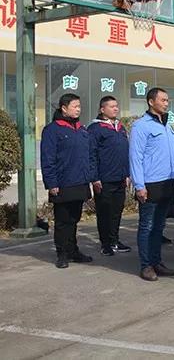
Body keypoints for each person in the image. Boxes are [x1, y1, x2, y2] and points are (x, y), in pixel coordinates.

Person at [130, 88, 174, 281]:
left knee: (159, 226)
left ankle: (157, 261)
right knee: (146, 226)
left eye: (167, 100)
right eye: (163, 100)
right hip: (150, 184)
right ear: (151, 102)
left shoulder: (167, 126)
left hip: (167, 183)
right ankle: (146, 265)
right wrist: (139, 185)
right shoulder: (141, 126)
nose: (166, 103)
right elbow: (135, 157)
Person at [41, 93, 93, 269]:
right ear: (64, 108)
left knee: (74, 219)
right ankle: (62, 253)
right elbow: (48, 159)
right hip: (63, 183)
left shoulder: (82, 129)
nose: (78, 109)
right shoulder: (52, 130)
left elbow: (87, 156)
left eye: (79, 106)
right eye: (75, 106)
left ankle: (73, 250)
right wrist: (52, 183)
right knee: (63, 221)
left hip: (80, 182)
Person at [88, 96, 130, 257]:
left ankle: (114, 240)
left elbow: (125, 152)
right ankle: (105, 244)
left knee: (116, 212)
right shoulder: (95, 128)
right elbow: (91, 154)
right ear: (102, 109)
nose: (115, 109)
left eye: (116, 106)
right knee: (104, 213)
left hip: (120, 177)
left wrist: (127, 173)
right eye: (111, 106)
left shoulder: (120, 127)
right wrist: (95, 177)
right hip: (104, 179)